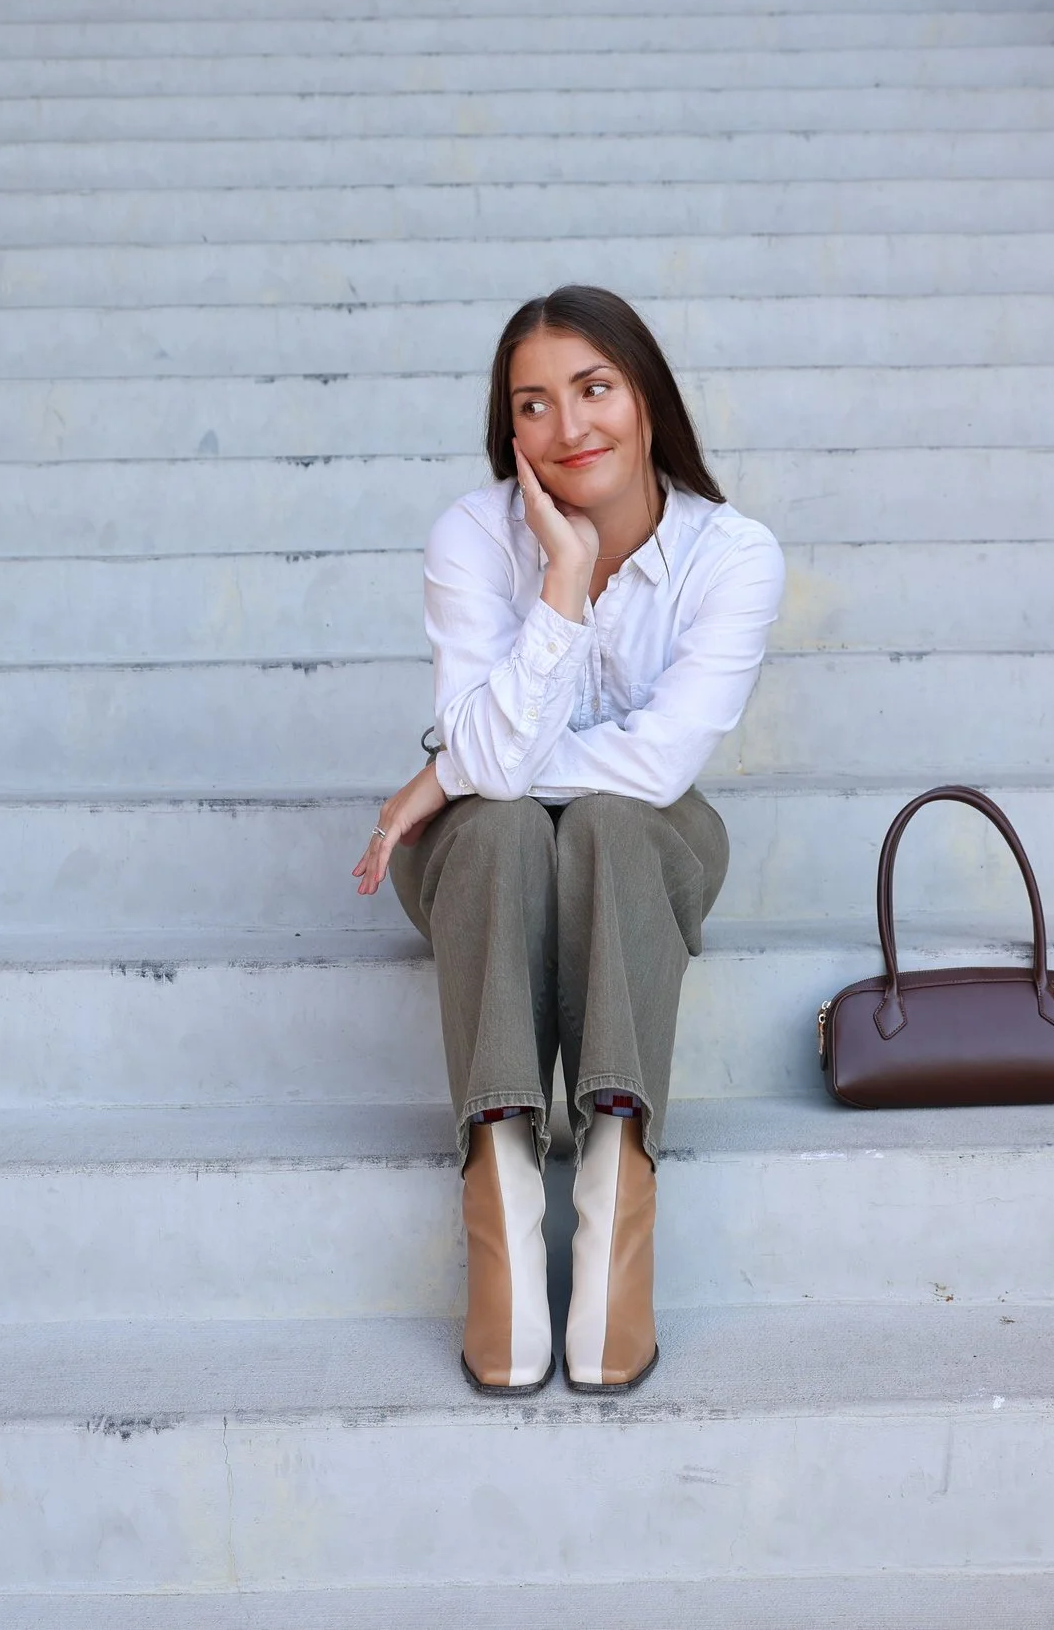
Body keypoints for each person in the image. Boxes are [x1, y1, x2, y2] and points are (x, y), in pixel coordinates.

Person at [351, 285, 786, 1395]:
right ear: (507, 429)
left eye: (594, 388)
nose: (567, 427)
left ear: (647, 400)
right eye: (531, 405)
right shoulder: (472, 534)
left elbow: (650, 769)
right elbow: (499, 782)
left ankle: (611, 1172)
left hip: (641, 852)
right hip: (473, 861)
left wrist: (445, 768)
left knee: (605, 823)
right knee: (500, 832)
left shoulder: (731, 555)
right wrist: (563, 576)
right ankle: (500, 1174)